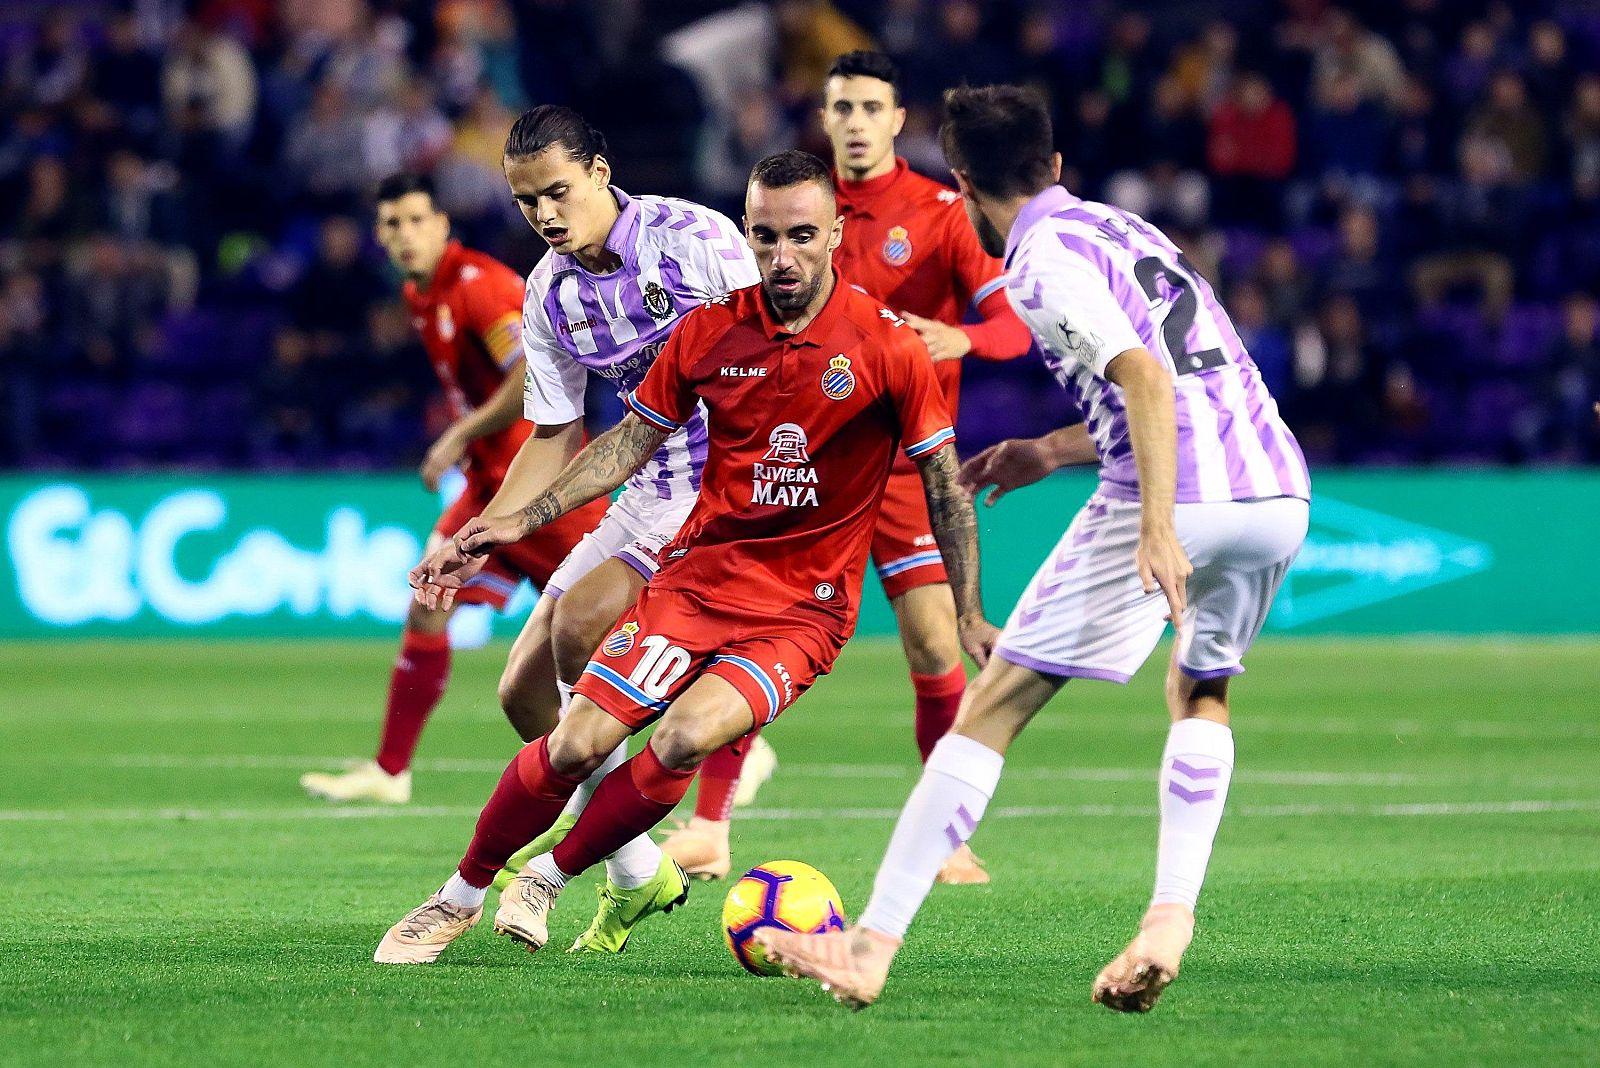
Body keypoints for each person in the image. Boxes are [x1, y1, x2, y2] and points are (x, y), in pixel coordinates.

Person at [757, 84, 1311, 1014]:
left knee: (991, 707)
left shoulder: (1040, 263)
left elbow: (1144, 380)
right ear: (1054, 165)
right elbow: (1189, 375)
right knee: (1200, 687)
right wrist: (1052, 448)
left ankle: (868, 949)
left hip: (1183, 493)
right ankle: (1169, 920)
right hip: (1278, 491)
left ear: (962, 183)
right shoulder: (1125, 232)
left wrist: (1158, 523)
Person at [373, 149, 991, 966]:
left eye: (802, 236)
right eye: (766, 238)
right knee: (552, 723)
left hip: (795, 599)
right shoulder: (698, 327)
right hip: (696, 562)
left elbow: (944, 484)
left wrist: (971, 610)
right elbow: (622, 437)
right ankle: (533, 883)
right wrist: (516, 518)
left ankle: (556, 873)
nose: (782, 257)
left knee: (667, 725)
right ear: (750, 234)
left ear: (838, 232)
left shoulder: (881, 343)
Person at [663, 50, 1030, 885]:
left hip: (902, 468)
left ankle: (944, 834)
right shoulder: (796, 210)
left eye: (872, 107)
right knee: (749, 632)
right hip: (795, 465)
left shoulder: (941, 213)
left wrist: (963, 337)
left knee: (937, 645)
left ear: (899, 120)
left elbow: (1014, 320)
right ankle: (711, 826)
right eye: (842, 108)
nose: (857, 122)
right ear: (824, 119)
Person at [408, 105, 762, 953]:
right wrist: (486, 528)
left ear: (601, 172)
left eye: (559, 192)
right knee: (521, 695)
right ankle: (640, 872)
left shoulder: (694, 243)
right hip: (645, 489)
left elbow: (778, 356)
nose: (546, 216)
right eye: (528, 203)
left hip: (728, 488)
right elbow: (555, 431)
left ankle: (691, 730)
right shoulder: (549, 292)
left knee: (576, 625)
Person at [299, 174, 605, 805]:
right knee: (428, 600)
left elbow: (529, 378)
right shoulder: (423, 293)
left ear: (443, 223)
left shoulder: (480, 287)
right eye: (392, 224)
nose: (405, 235)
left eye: (416, 220)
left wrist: (457, 433)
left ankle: (720, 740)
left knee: (611, 631)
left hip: (538, 487)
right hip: (488, 485)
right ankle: (391, 772)